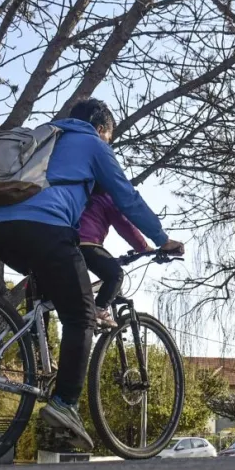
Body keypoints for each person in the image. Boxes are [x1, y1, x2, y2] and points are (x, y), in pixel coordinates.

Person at [0, 98, 184, 449]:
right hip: (45, 230)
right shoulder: (92, 143)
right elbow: (126, 198)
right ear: (102, 129)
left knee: (52, 294)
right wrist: (162, 240)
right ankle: (65, 403)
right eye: (110, 136)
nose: (109, 142)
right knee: (81, 316)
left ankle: (37, 360)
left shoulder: (43, 136)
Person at [77, 122, 153, 329]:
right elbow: (125, 225)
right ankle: (100, 308)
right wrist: (143, 247)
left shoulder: (80, 192)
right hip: (87, 244)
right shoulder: (108, 199)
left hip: (62, 241)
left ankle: (38, 344)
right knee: (115, 274)